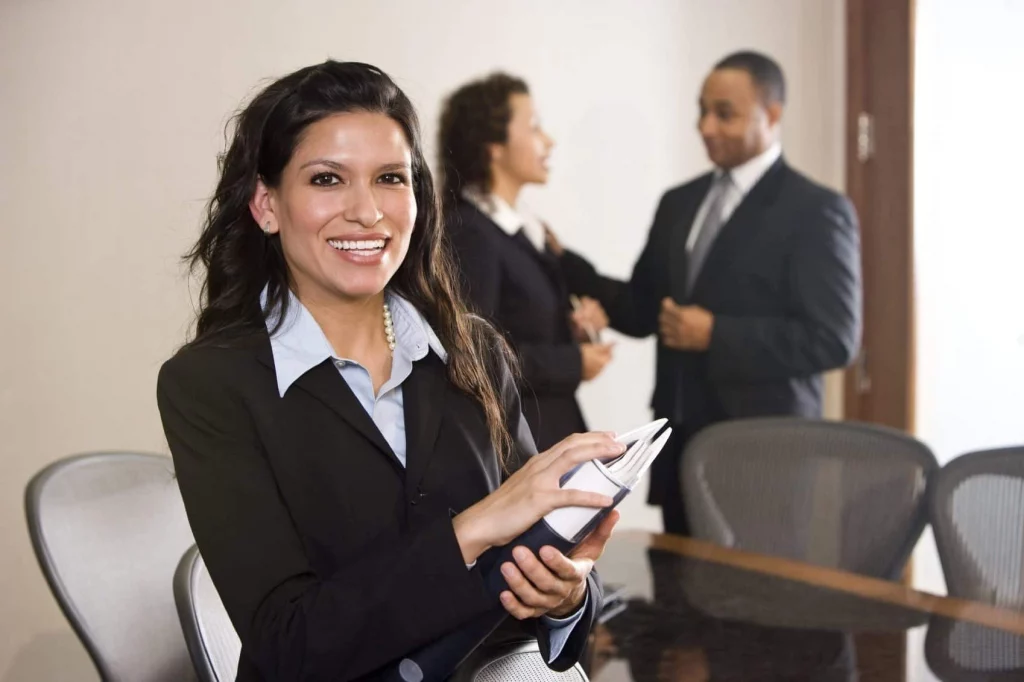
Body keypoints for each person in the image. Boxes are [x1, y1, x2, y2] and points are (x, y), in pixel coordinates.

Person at [156, 60, 621, 681]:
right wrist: (477, 528)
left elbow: (530, 579)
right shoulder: (211, 384)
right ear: (266, 205)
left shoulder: (474, 352)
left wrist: (564, 598)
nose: (367, 212)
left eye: (390, 179)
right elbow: (288, 645)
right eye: (327, 179)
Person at [549, 51, 862, 535]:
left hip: (767, 457)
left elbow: (835, 338)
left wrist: (717, 334)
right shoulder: (680, 203)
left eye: (725, 113)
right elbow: (643, 307)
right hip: (680, 444)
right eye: (702, 111)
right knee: (680, 599)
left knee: (755, 604)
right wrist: (563, 265)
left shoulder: (817, 210)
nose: (706, 126)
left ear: (772, 114)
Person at [437, 73, 612, 451]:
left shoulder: (523, 231)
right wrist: (571, 362)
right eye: (533, 127)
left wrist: (574, 330)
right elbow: (472, 353)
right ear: (492, 146)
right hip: (518, 448)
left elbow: (517, 327)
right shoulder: (469, 233)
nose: (548, 140)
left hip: (548, 433)